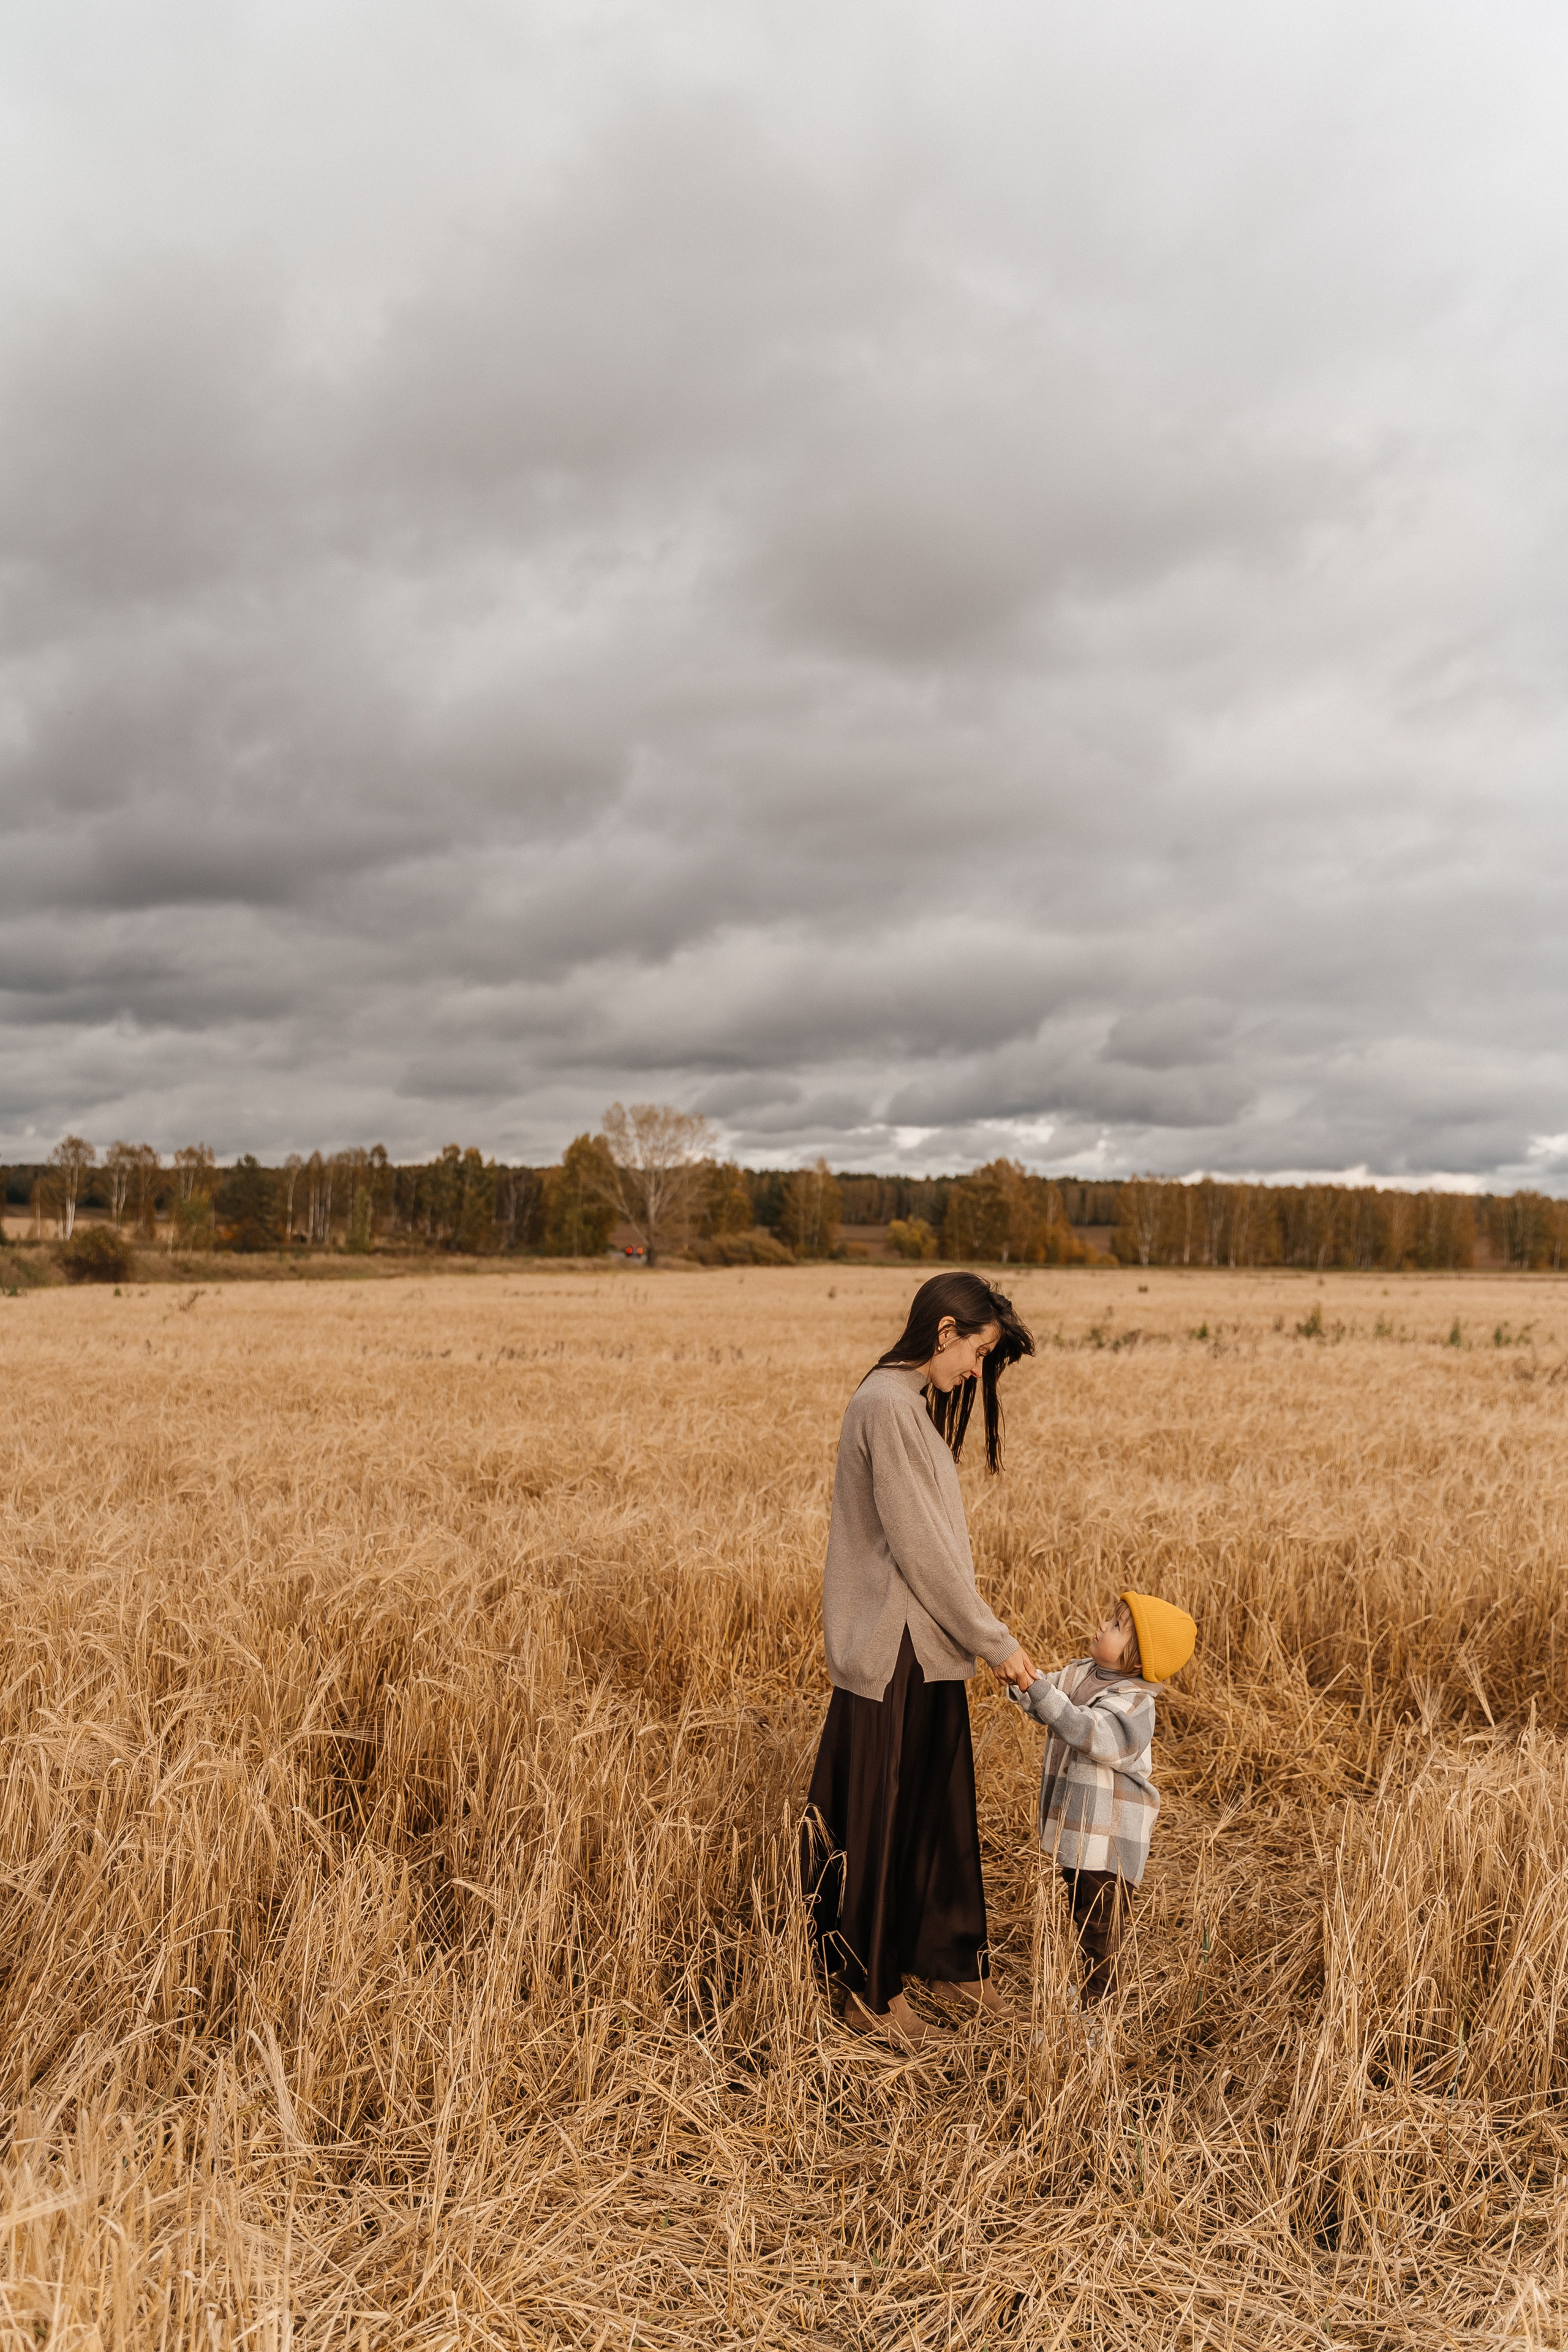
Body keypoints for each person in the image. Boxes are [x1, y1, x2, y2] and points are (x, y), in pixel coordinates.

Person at [801, 1270, 1038, 2050]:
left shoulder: (905, 1405)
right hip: (893, 1646)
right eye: (975, 1351)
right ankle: (868, 1994)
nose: (975, 1370)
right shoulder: (887, 1406)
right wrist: (995, 1641)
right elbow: (924, 1551)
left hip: (922, 1647)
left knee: (935, 1812)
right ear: (943, 1331)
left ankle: (948, 1964)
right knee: (884, 1820)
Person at [1008, 1590, 1196, 2015]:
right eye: (1108, 1621)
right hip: (1079, 1831)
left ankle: (1101, 2006)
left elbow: (1085, 1730)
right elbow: (1047, 1697)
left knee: (1100, 1922)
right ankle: (1094, 1994)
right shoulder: (1083, 1673)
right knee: (1081, 1909)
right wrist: (1022, 1680)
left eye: (1114, 1628)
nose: (1100, 1627)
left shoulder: (1135, 1704)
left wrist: (1037, 1689)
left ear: (1136, 1659)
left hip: (1109, 1838)